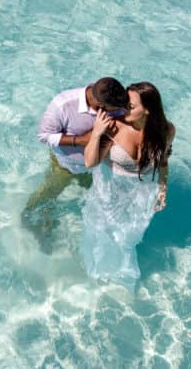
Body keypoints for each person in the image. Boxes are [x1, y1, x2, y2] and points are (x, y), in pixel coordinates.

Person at [79, 81, 175, 285]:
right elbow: (90, 162)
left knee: (128, 236)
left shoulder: (166, 130)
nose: (123, 109)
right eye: (124, 104)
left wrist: (163, 188)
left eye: (130, 106)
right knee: (101, 231)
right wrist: (97, 132)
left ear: (147, 110)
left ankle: (122, 276)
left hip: (142, 190)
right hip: (110, 187)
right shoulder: (114, 126)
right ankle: (98, 276)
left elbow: (163, 161)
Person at [21, 77, 130, 251]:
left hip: (97, 166)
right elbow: (44, 136)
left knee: (102, 200)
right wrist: (81, 140)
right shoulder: (63, 104)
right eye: (115, 110)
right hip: (66, 166)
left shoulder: (114, 99)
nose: (121, 111)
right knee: (48, 195)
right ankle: (27, 219)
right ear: (99, 105)